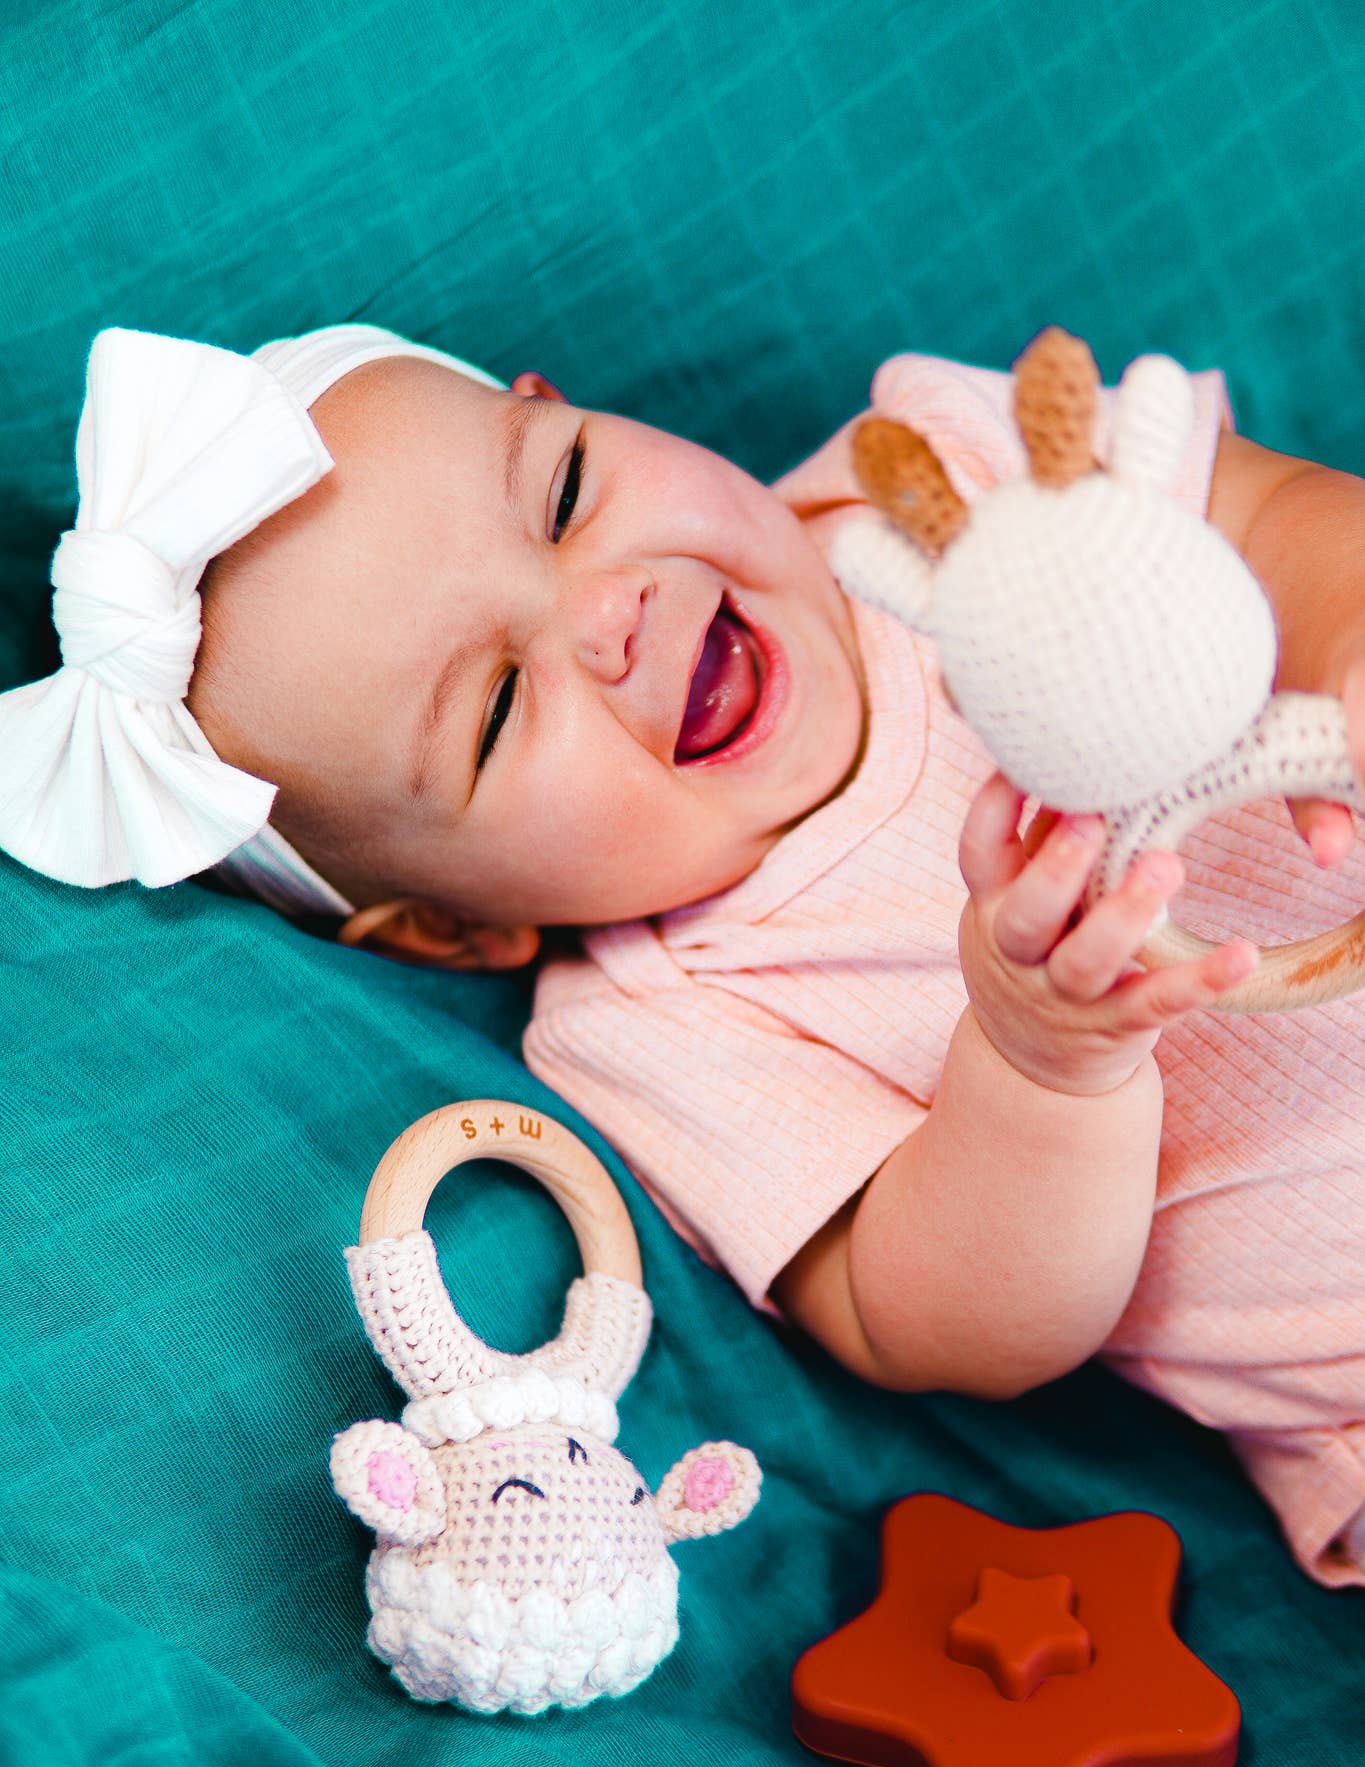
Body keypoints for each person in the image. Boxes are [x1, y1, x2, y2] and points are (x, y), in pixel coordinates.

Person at [5, 321, 1365, 1589]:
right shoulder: (660, 1020)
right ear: (457, 929)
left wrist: (1349, 632)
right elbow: (945, 1325)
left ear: (563, 407)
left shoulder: (942, 475)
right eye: (492, 711)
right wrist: (1045, 1070)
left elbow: (1279, 520)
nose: (607, 617)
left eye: (563, 495)